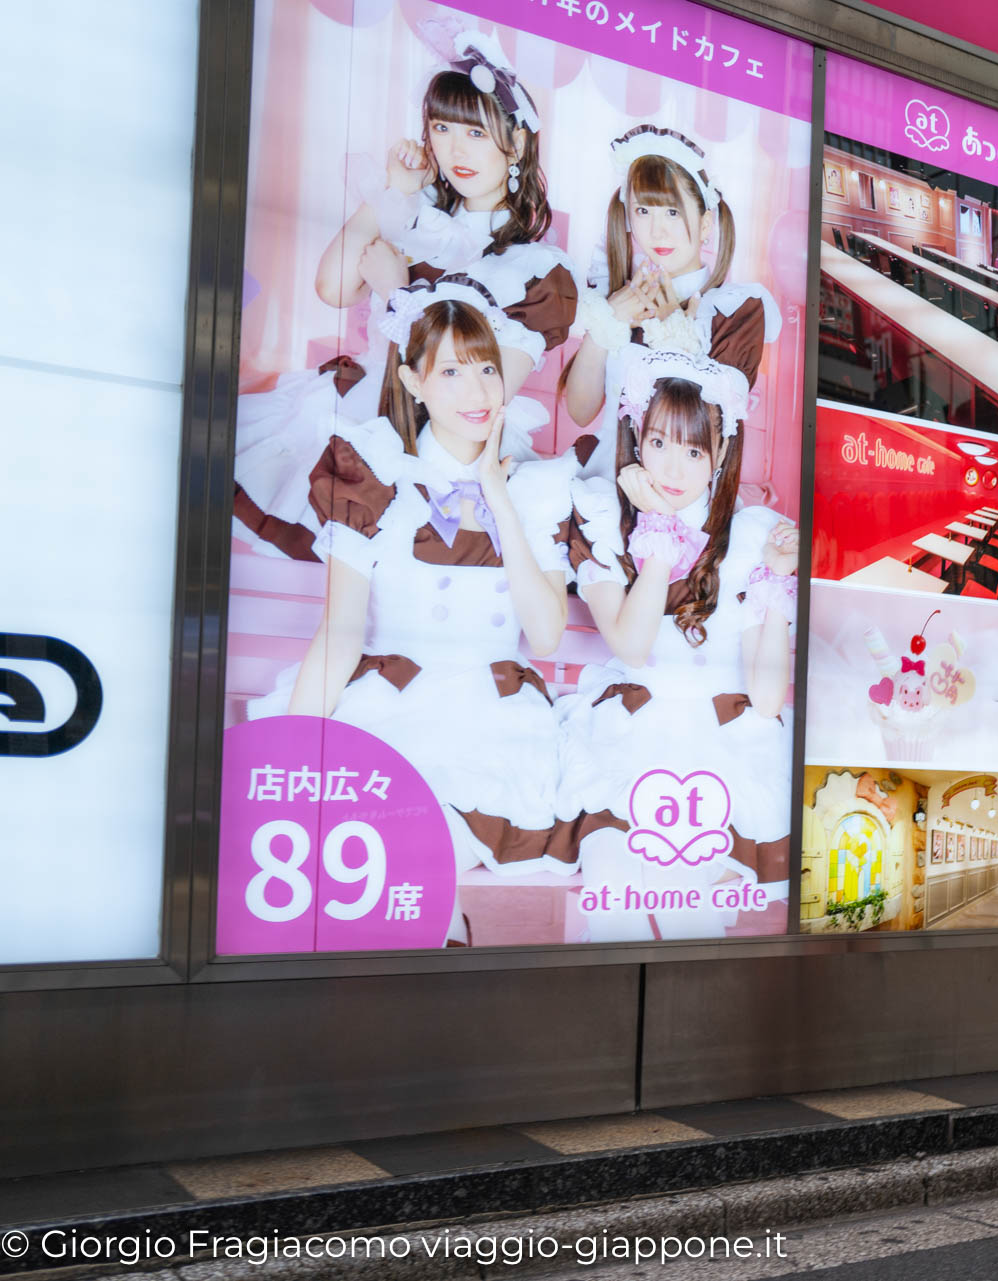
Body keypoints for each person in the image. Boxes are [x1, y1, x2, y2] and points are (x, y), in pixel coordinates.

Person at [264, 278, 577, 943]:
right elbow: (341, 632)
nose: (478, 391)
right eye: (453, 371)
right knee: (371, 856)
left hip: (493, 719)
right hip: (394, 705)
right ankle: (432, 952)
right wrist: (290, 755)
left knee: (425, 850)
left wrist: (497, 492)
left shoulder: (536, 486)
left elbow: (545, 634)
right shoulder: (375, 477)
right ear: (413, 379)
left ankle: (432, 951)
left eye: (488, 368)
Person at [233, 29, 577, 560]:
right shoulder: (416, 219)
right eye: (442, 127)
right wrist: (395, 190)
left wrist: (399, 295)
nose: (455, 149)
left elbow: (487, 391)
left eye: (476, 133)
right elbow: (332, 285)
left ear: (519, 143)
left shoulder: (536, 271)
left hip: (441, 451)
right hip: (360, 408)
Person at [549, 348, 798, 939]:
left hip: (718, 751)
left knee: (698, 927)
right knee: (612, 915)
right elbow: (632, 646)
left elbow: (765, 702)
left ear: (718, 458)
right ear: (636, 437)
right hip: (629, 737)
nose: (674, 467)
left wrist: (777, 586)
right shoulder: (605, 517)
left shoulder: (751, 537)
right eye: (658, 442)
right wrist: (658, 528)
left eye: (693, 450)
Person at [566, 125, 781, 473]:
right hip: (604, 482)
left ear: (706, 224)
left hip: (680, 505)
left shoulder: (736, 311)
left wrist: (674, 333)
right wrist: (607, 322)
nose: (657, 230)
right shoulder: (617, 290)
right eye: (643, 211)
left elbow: (713, 438)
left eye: (673, 212)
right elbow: (580, 412)